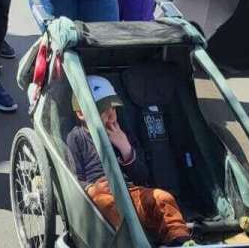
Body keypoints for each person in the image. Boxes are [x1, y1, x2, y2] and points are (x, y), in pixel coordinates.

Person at [67, 76, 194, 246]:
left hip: (130, 191)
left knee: (163, 198)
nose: (111, 114)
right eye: (104, 110)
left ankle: (179, 240)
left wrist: (125, 147)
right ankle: (131, 241)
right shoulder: (76, 137)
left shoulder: (123, 133)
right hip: (100, 193)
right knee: (107, 204)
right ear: (82, 113)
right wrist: (91, 188)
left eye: (114, 108)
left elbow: (142, 176)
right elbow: (74, 178)